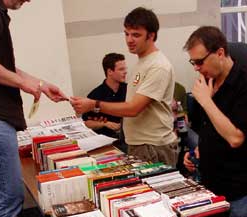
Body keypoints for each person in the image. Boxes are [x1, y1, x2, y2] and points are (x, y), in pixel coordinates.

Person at [0, 0, 67, 217]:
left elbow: (5, 66)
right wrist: (23, 84)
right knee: (8, 197)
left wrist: (39, 84)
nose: (29, 0)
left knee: (1, 195)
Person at [71, 7, 178, 167]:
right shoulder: (142, 62)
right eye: (126, 33)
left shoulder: (158, 66)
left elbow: (133, 109)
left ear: (151, 36)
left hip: (152, 146)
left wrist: (95, 104)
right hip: (140, 144)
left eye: (136, 35)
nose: (129, 39)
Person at [183, 26, 247, 217]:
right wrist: (198, 151)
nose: (196, 68)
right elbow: (211, 128)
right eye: (193, 63)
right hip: (210, 184)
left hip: (238, 191)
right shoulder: (208, 80)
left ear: (220, 53)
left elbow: (235, 138)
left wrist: (206, 101)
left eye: (200, 62)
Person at [82, 53, 127, 149]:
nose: (125, 72)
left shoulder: (129, 90)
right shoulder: (94, 96)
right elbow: (86, 123)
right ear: (110, 71)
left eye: (125, 69)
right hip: (106, 144)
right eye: (121, 69)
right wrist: (105, 124)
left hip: (129, 140)